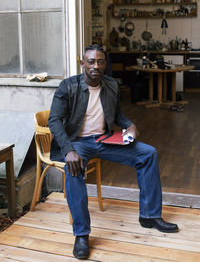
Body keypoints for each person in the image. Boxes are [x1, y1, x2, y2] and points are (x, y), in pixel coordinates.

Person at [48, 44, 179, 259]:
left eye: (100, 62)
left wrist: (130, 125)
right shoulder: (67, 86)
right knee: (73, 169)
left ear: (105, 64)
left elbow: (117, 115)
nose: (95, 66)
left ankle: (149, 216)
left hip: (104, 140)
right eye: (91, 61)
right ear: (83, 64)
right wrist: (68, 150)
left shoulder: (111, 85)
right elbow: (54, 120)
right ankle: (81, 234)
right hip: (78, 143)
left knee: (149, 154)